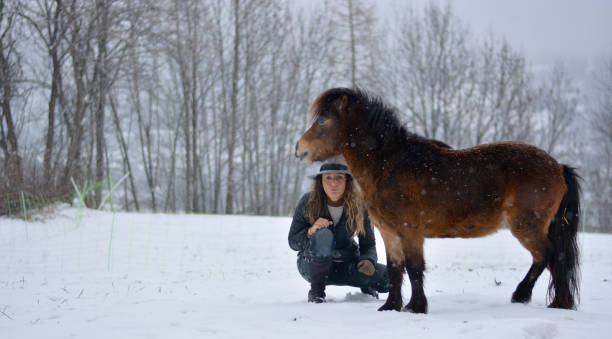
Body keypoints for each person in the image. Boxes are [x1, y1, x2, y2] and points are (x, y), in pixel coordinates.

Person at [288, 156, 389, 303]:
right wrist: (311, 231)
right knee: (323, 235)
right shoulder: (307, 202)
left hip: (346, 265)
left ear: (347, 181)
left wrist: (369, 260)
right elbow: (293, 242)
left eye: (339, 178)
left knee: (389, 278)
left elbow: (368, 244)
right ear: (320, 181)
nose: (333, 183)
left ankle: (366, 286)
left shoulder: (360, 206)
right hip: (312, 267)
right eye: (328, 178)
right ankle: (317, 292)